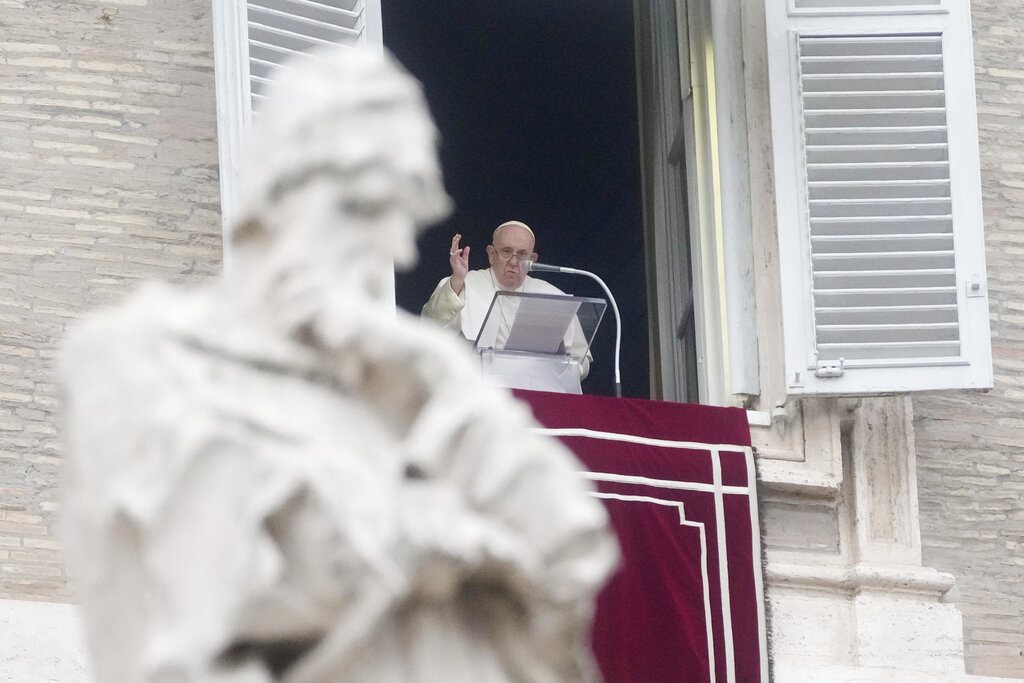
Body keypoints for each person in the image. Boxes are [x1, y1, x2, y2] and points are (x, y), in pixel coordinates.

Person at [59, 47, 616, 683]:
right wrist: (423, 539)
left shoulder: (422, 373)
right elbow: (187, 611)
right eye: (369, 210)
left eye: (404, 216)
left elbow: (572, 542)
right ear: (286, 186)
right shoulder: (138, 358)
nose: (398, 247)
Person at [422, 221, 592, 378]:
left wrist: (561, 363)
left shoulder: (554, 296)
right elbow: (432, 328)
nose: (513, 261)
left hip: (538, 393)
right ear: (491, 254)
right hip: (476, 389)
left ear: (532, 260)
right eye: (506, 252)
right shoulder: (463, 284)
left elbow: (582, 363)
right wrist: (457, 280)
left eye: (522, 254)